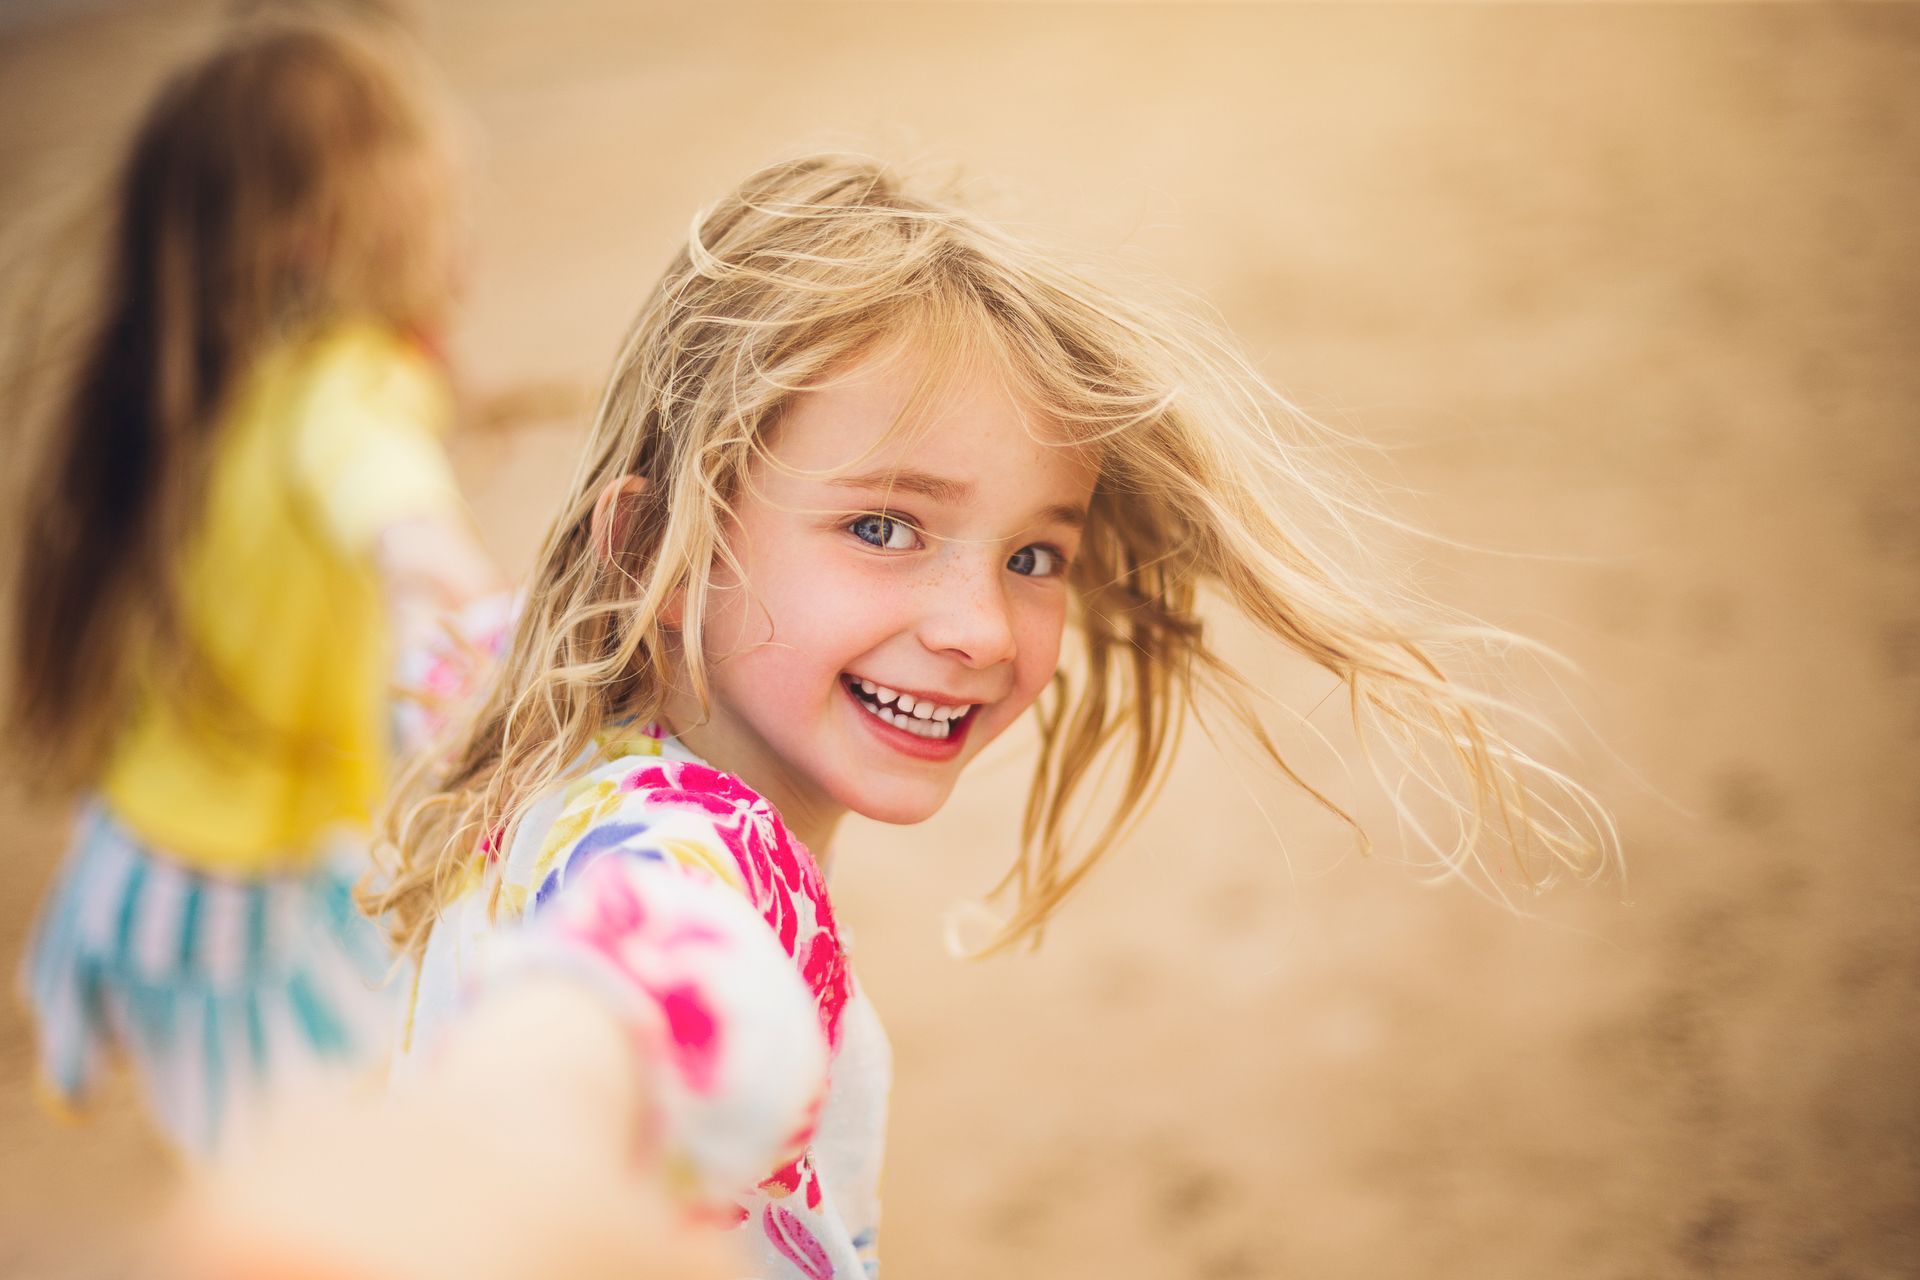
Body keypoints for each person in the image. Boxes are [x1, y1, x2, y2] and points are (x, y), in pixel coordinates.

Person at [177, 155, 1615, 1278]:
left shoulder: (530, 709)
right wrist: (508, 1129)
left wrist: (408, 532)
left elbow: (444, 623)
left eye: (1032, 554)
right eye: (882, 527)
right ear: (650, 550)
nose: (981, 628)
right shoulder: (692, 863)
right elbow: (645, 984)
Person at [6, 14, 497, 1160]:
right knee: (318, 1164)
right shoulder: (344, 387)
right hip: (225, 898)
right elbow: (379, 485)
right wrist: (451, 579)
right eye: (434, 206)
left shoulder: (211, 379)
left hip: (172, 851)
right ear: (325, 236)